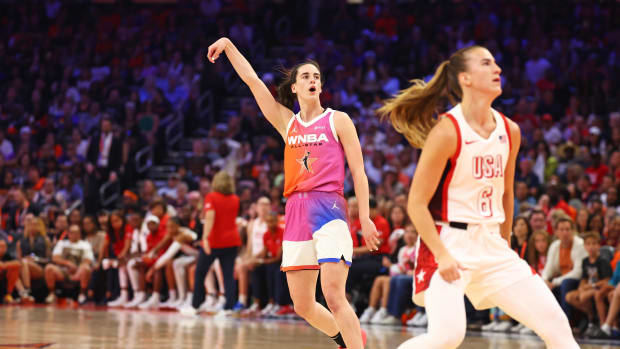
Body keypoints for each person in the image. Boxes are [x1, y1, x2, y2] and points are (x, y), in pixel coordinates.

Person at [378, 45, 579, 348]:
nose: (497, 69)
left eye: (496, 63)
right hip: (447, 242)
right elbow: (416, 203)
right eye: (486, 63)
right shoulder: (447, 131)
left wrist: (506, 240)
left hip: (492, 244)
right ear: (465, 79)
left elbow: (507, 192)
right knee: (447, 336)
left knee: (558, 329)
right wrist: (442, 254)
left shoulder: (510, 130)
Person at [206, 37, 379, 349]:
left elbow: (360, 171)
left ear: (320, 86)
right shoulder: (287, 122)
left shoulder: (338, 120)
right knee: (302, 304)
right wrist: (229, 46)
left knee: (334, 294)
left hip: (330, 208)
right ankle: (347, 339)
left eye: (316, 76)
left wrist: (364, 216)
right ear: (296, 88)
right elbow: (252, 81)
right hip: (295, 210)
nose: (312, 80)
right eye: (305, 77)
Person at [565, 232, 612, 337]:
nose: (591, 247)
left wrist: (591, 286)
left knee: (583, 296)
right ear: (585, 246)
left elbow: (607, 280)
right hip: (589, 287)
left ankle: (599, 322)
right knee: (569, 297)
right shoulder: (585, 261)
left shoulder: (602, 261)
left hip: (600, 288)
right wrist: (581, 287)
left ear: (599, 245)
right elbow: (584, 278)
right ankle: (591, 318)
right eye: (588, 244)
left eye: (594, 244)